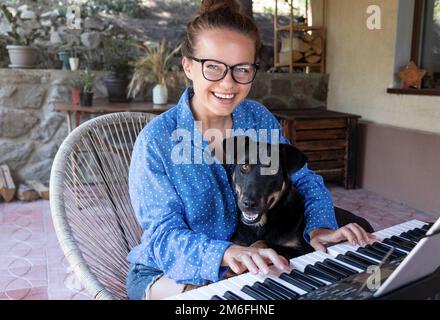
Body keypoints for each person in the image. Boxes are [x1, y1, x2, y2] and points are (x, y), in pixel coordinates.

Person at [126, 0, 375, 300]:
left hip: (251, 260)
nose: (229, 84)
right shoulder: (157, 141)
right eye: (213, 67)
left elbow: (304, 181)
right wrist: (228, 253)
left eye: (242, 69)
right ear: (188, 66)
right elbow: (163, 238)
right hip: (171, 271)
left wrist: (319, 227)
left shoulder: (257, 119)